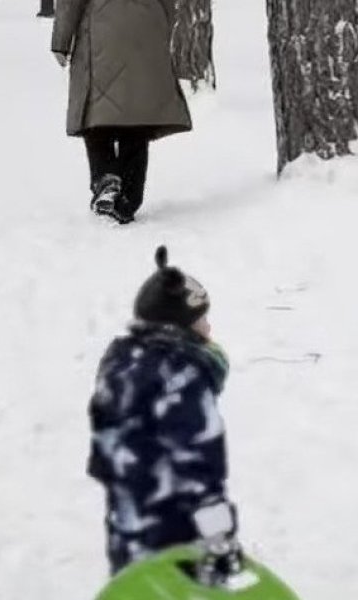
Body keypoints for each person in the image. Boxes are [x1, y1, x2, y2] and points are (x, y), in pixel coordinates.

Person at [88, 246, 243, 577]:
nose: (209, 328)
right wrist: (218, 537)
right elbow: (200, 464)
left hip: (127, 521)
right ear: (179, 327)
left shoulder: (120, 361)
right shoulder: (182, 378)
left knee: (138, 588)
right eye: (201, 319)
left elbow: (106, 445)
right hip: (177, 529)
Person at [51, 0, 191, 224]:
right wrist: (160, 28)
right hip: (147, 24)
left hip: (102, 27)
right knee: (136, 114)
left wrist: (61, 41)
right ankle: (128, 199)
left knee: (95, 111)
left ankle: (106, 177)